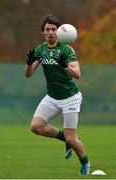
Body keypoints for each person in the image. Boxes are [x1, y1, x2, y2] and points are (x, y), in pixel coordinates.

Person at [24, 14, 91, 175]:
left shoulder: (66, 49)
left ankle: (85, 163)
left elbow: (77, 74)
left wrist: (64, 66)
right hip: (52, 97)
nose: (50, 32)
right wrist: (28, 63)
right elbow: (28, 74)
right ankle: (64, 139)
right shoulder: (40, 50)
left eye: (53, 29)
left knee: (72, 138)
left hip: (70, 98)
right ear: (43, 32)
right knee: (35, 126)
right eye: (47, 29)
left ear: (59, 31)